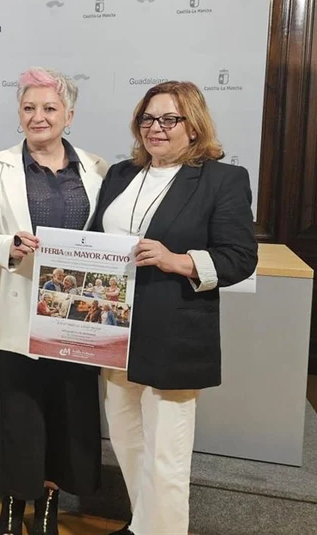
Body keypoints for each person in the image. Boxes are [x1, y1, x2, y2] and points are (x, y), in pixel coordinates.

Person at [91, 81, 257, 535]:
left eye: (169, 119)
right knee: (127, 440)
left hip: (174, 333)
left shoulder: (222, 179)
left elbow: (240, 258)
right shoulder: (121, 174)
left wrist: (177, 260)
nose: (156, 128)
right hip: (115, 330)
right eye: (147, 118)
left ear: (193, 126)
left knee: (166, 454)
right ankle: (142, 526)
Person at [0, 67, 109, 535]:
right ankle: (12, 500)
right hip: (15, 308)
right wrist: (7, 246)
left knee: (67, 410)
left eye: (49, 108)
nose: (38, 116)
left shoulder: (98, 169)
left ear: (70, 115)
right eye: (29, 108)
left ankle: (49, 500)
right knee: (17, 410)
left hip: (75, 316)